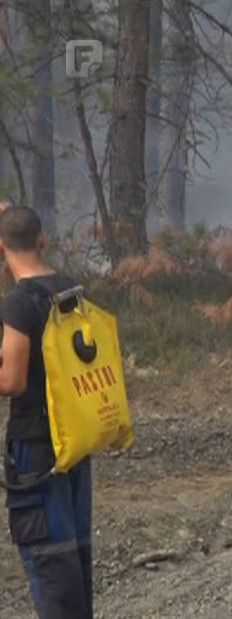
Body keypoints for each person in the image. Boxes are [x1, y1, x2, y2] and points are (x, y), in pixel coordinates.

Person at [0, 204, 93, 619]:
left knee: (51, 569)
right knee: (74, 562)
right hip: (73, 439)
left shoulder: (18, 305)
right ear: (42, 238)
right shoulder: (70, 288)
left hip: (36, 453)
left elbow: (12, 382)